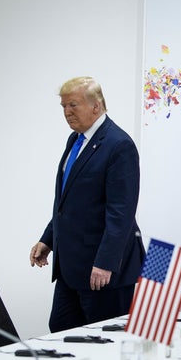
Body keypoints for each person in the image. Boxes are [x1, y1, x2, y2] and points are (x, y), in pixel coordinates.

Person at [30, 76, 144, 332]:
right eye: (63, 107)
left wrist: (105, 263)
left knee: (105, 343)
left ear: (96, 105)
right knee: (60, 332)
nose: (67, 113)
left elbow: (121, 212)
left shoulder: (119, 145)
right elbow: (67, 202)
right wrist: (47, 240)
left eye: (73, 105)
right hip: (71, 268)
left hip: (103, 272)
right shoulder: (75, 140)